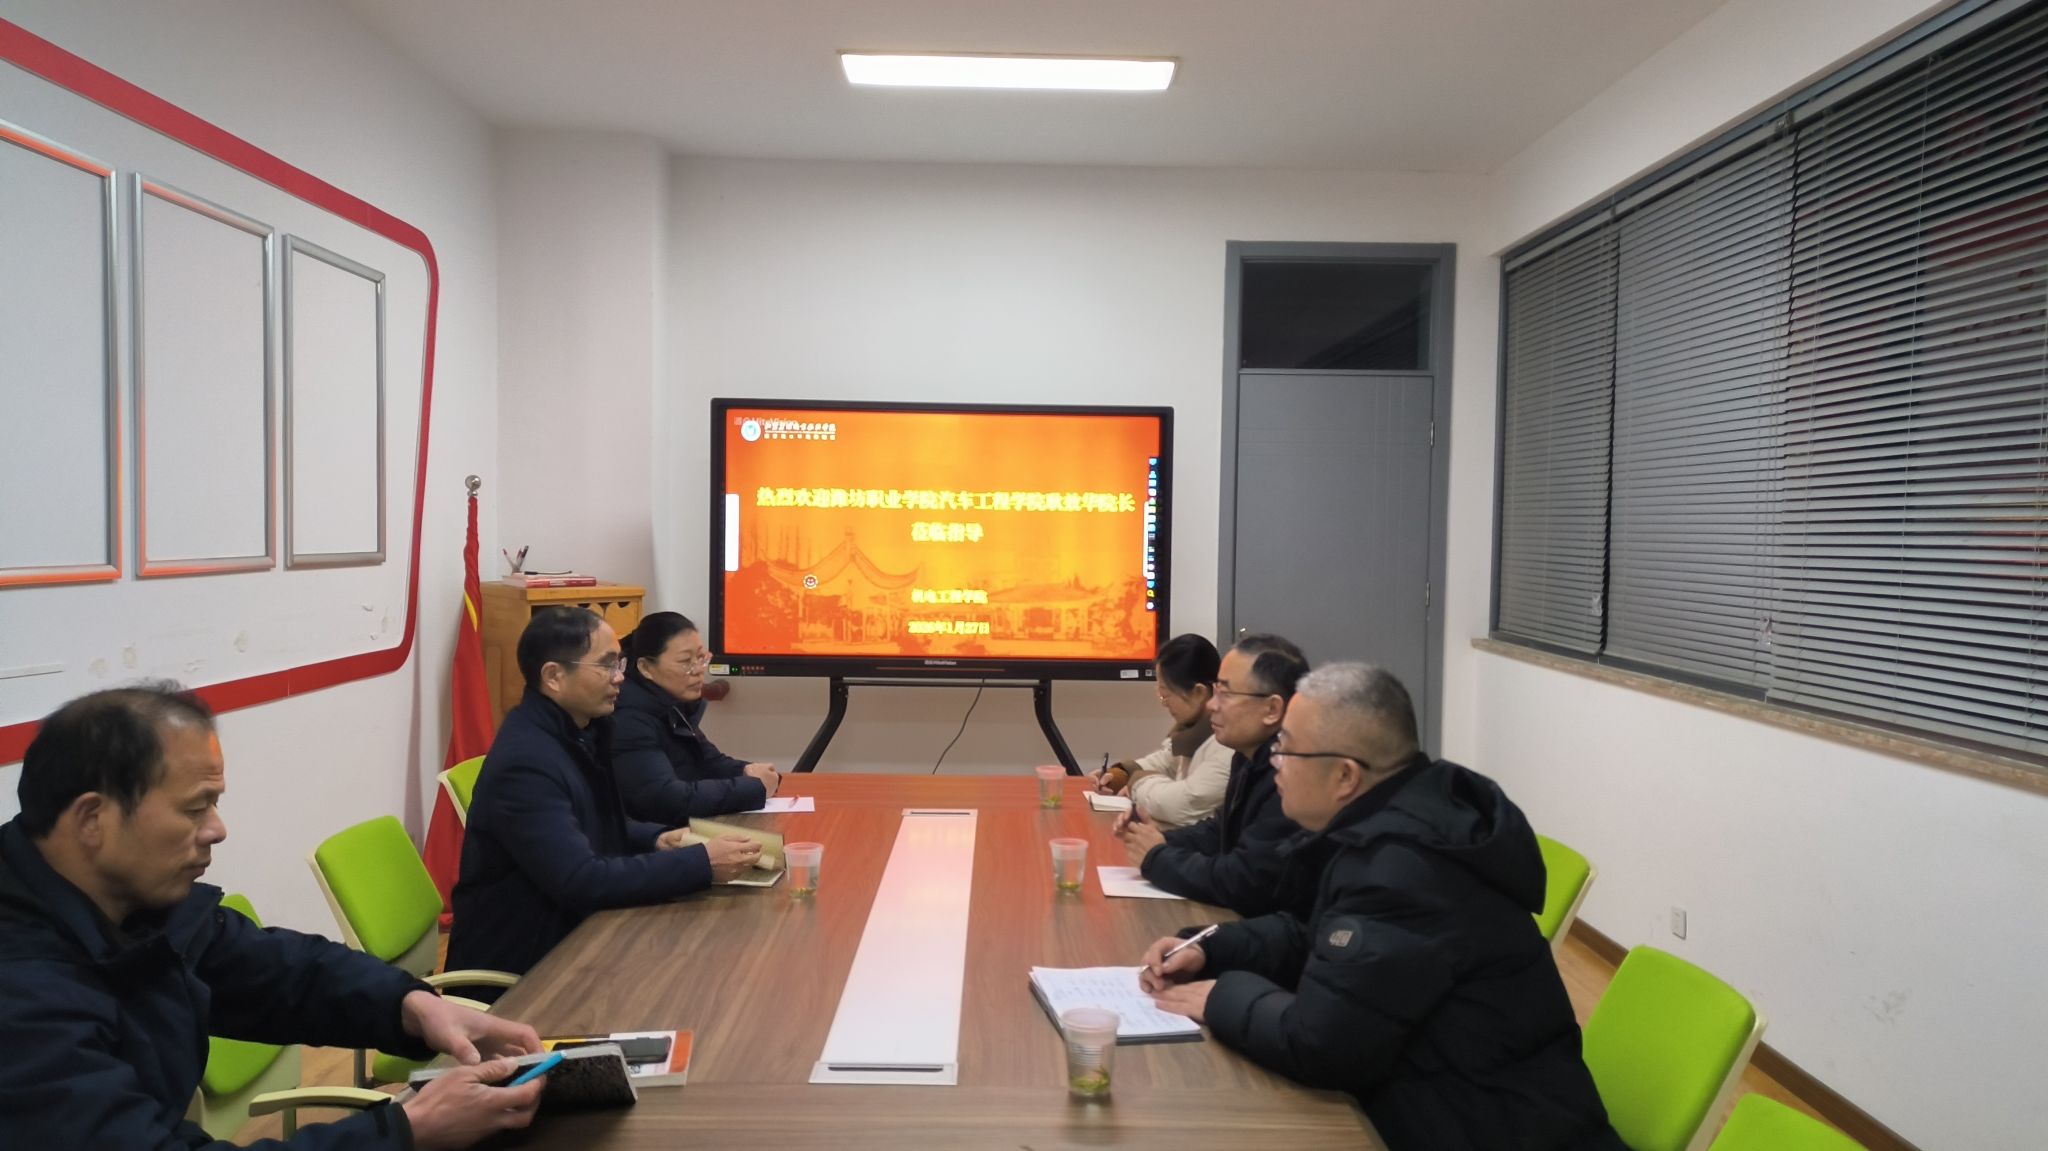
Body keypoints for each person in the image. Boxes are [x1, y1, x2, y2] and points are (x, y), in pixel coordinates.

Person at [0, 684, 548, 1150]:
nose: (218, 829)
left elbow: (282, 972)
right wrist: (406, 1130)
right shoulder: (22, 1002)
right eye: (195, 808)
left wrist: (413, 1007)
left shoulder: (134, 905)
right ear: (92, 820)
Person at [1139, 664, 1626, 1151]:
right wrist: (1211, 946)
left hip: (1492, 1126)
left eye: (1286, 747)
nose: (1274, 762)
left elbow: (1321, 1046)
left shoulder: (1405, 869)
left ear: (1345, 775)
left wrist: (1221, 995)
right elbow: (1321, 938)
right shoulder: (1394, 825)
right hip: (1457, 1105)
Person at [447, 608, 762, 981]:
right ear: (554, 676)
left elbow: (590, 822)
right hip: (530, 968)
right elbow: (582, 879)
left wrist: (657, 838)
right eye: (607, 665)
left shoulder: (580, 730)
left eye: (619, 663)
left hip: (579, 936)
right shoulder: (527, 763)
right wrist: (702, 863)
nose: (620, 677)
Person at [1114, 633, 1308, 916]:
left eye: (1225, 694)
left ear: (1272, 709)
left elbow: (1244, 881)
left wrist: (1159, 858)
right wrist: (1159, 838)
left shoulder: (1292, 774)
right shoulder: (1249, 755)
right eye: (1216, 690)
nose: (1211, 705)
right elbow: (1220, 831)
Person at [612, 612, 780, 825]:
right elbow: (665, 799)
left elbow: (708, 761)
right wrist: (753, 787)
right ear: (646, 668)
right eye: (685, 662)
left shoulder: (670, 702)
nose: (699, 671)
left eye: (701, 658)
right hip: (655, 837)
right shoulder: (629, 718)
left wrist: (748, 771)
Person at [1079, 634, 1233, 830]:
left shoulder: (1226, 743)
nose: (1163, 704)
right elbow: (1166, 761)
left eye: (1166, 695)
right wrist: (1120, 775)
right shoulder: (1193, 732)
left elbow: (1182, 804)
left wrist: (1137, 782)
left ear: (1199, 692)